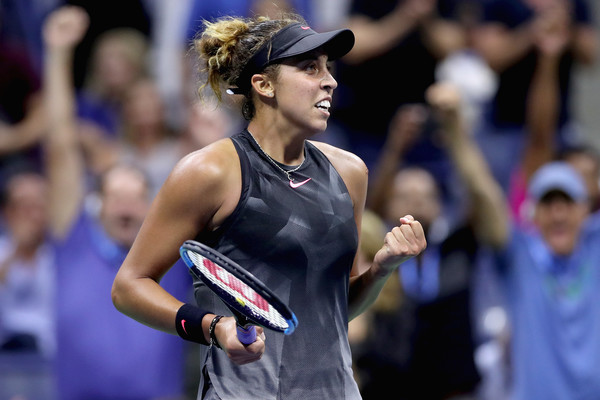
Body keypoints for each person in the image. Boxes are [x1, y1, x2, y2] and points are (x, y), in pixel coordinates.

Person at [111, 13, 426, 400]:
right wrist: (214, 327)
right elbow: (128, 287)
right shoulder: (210, 171)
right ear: (263, 85)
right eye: (310, 67)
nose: (330, 80)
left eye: (328, 68)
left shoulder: (350, 172)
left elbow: (334, 312)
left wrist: (380, 270)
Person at [43, 6, 190, 399]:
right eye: (116, 194)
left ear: (149, 208)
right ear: (97, 204)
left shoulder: (170, 256)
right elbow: (60, 145)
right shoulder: (72, 235)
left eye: (137, 194)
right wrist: (58, 52)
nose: (126, 204)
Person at [359, 82, 507, 400]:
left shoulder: (458, 248)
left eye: (424, 195)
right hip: (390, 390)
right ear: (389, 205)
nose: (414, 201)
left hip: (456, 390)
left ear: (440, 205)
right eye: (404, 195)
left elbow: (484, 197)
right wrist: (397, 147)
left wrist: (455, 132)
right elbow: (367, 215)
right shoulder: (378, 255)